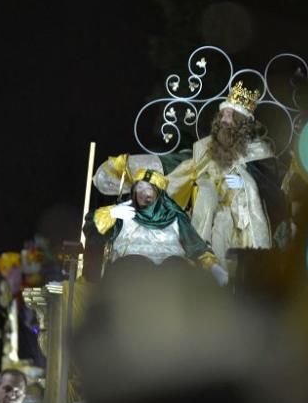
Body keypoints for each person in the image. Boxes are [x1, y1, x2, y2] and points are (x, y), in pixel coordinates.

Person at [163, 81, 288, 262]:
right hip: (213, 217)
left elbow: (273, 193)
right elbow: (183, 172)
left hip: (245, 223)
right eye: (223, 114)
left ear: (241, 122)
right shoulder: (206, 149)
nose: (223, 119)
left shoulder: (259, 151)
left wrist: (246, 184)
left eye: (230, 115)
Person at [85, 164, 228, 283]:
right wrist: (111, 213)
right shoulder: (123, 212)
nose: (142, 192)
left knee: (176, 266)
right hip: (130, 280)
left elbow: (197, 249)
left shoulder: (176, 217)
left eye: (148, 188)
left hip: (170, 282)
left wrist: (214, 268)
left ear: (159, 194)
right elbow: (91, 230)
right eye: (139, 187)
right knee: (133, 264)